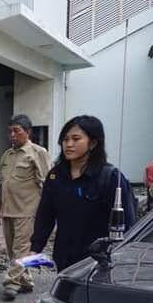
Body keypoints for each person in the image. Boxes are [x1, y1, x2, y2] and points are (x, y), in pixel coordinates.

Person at [30, 115, 136, 271]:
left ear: (92, 143)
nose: (69, 144)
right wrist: (35, 248)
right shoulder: (56, 175)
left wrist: (122, 259)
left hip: (98, 261)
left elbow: (128, 223)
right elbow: (45, 215)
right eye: (65, 140)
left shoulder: (110, 177)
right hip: (64, 257)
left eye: (76, 139)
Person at [0, 114, 52, 301]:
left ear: (28, 132)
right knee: (12, 250)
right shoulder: (7, 155)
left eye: (16, 131)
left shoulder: (38, 152)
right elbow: (3, 184)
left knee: (20, 249)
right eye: (9, 131)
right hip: (8, 210)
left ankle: (11, 283)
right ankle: (25, 280)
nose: (12, 135)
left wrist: (47, 213)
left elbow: (46, 184)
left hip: (28, 210)